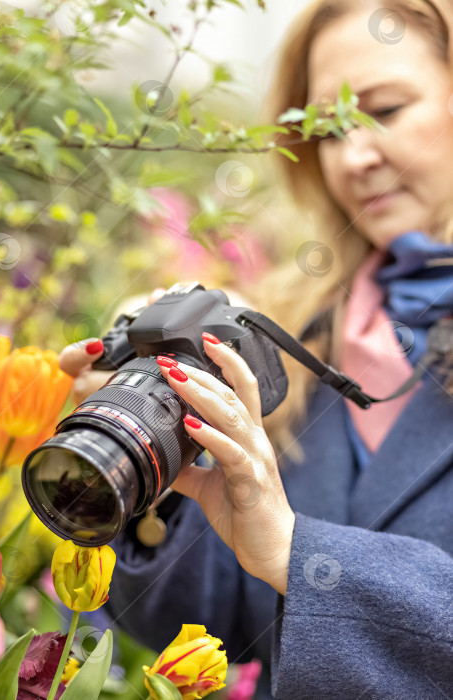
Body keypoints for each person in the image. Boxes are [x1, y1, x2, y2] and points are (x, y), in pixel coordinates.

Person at [58, 0, 453, 697]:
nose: (354, 156)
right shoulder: (291, 342)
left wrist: (303, 555)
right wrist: (152, 478)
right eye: (329, 130)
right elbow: (225, 623)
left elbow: (289, 564)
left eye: (384, 110)